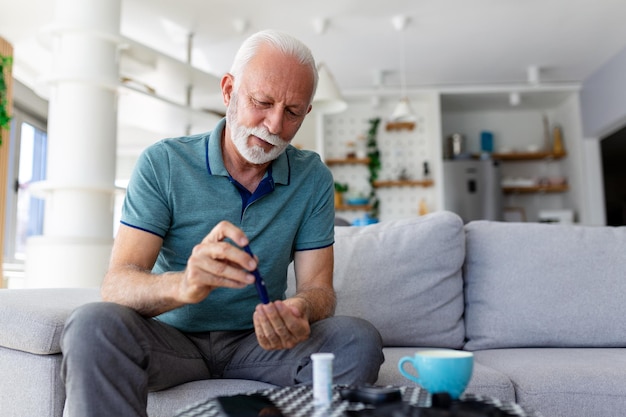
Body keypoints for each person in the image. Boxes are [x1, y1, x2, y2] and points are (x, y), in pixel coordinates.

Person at [60, 29, 384, 416]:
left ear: (307, 113)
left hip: (260, 345)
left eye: (293, 111)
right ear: (229, 91)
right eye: (261, 102)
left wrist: (299, 308)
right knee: (93, 323)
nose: (275, 125)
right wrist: (184, 284)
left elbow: (320, 290)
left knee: (357, 339)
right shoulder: (163, 163)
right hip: (171, 339)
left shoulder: (312, 177)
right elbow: (118, 283)